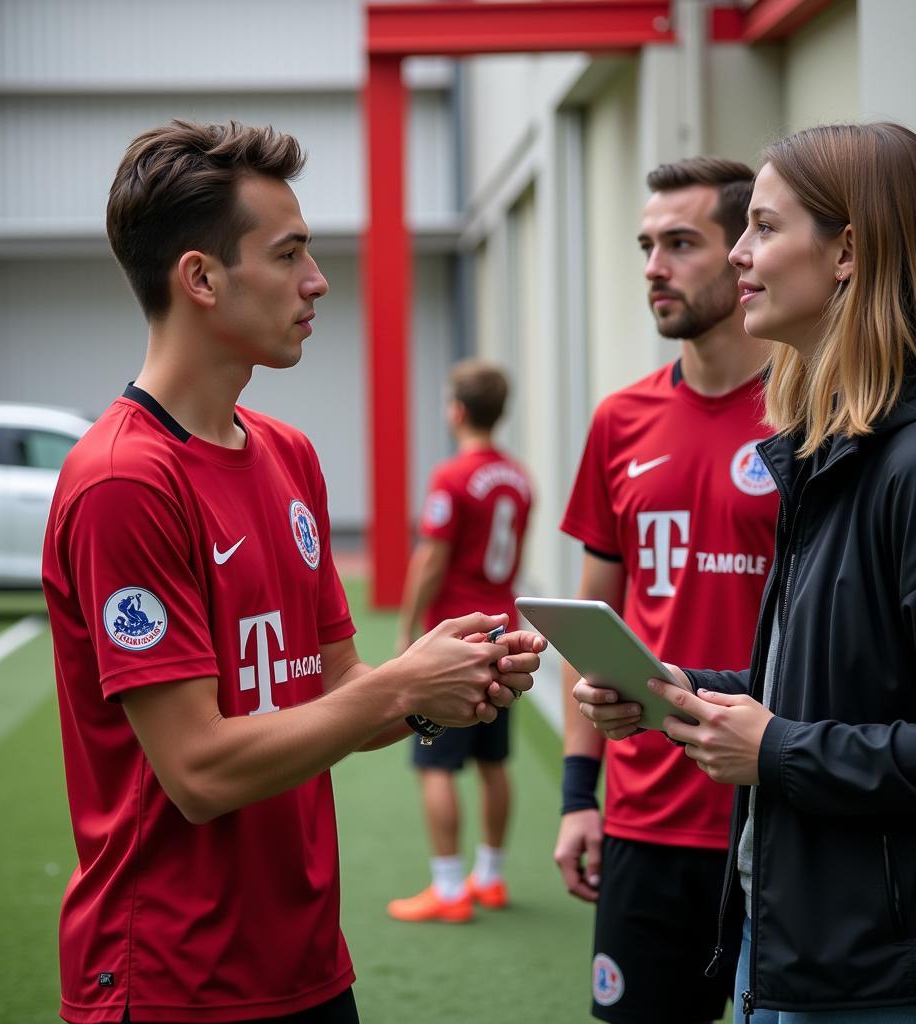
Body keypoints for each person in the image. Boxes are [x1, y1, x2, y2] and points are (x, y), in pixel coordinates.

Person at [41, 120, 546, 1024]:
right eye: (289, 255)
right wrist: (400, 683)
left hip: (308, 964)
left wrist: (444, 685)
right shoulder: (126, 479)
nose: (317, 282)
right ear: (200, 278)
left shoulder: (289, 455)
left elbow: (340, 694)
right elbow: (197, 772)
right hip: (173, 980)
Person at [577, 122, 916, 1022]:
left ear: (848, 252)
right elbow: (838, 689)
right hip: (797, 936)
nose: (741, 255)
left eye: (762, 228)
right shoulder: (832, 450)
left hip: (891, 978)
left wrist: (775, 750)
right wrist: (683, 690)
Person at [555, 156, 778, 1023]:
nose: (654, 265)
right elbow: (593, 622)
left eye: (681, 242)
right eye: (647, 245)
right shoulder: (620, 419)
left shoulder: (818, 417)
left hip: (776, 808)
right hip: (645, 816)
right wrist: (581, 797)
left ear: (744, 253)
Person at [387, 360, 533, 923]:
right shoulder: (520, 479)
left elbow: (431, 556)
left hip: (457, 631)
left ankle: (449, 889)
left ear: (457, 411)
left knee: (436, 763)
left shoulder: (449, 477)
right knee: (494, 761)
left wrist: (408, 626)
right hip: (505, 633)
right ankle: (490, 879)